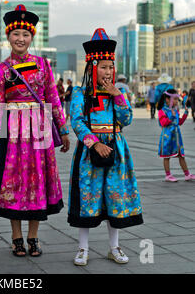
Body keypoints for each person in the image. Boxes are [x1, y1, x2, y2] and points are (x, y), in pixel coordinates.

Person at [0, 4, 70, 258]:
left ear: (32, 37)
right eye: (16, 34)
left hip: (39, 131)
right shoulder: (1, 70)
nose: (21, 39)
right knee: (13, 183)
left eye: (26, 35)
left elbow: (53, 98)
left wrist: (64, 129)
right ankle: (16, 237)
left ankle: (33, 237)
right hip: (12, 134)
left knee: (37, 182)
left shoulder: (43, 65)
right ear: (8, 37)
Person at [68, 28, 143, 266]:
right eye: (103, 67)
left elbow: (127, 119)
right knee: (88, 197)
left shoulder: (117, 93)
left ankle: (114, 247)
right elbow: (77, 122)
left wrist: (117, 95)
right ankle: (82, 248)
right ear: (92, 67)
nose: (108, 71)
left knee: (115, 197)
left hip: (117, 150)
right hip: (90, 152)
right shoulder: (81, 93)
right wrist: (95, 143)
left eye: (111, 67)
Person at [157, 89, 195, 181]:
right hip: (167, 136)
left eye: (176, 99)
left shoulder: (175, 109)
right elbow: (163, 123)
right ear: (167, 99)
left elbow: (179, 122)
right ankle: (168, 175)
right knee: (167, 156)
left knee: (181, 155)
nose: (176, 101)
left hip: (177, 136)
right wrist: (171, 116)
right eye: (174, 99)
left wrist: (185, 114)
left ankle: (187, 174)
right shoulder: (162, 110)